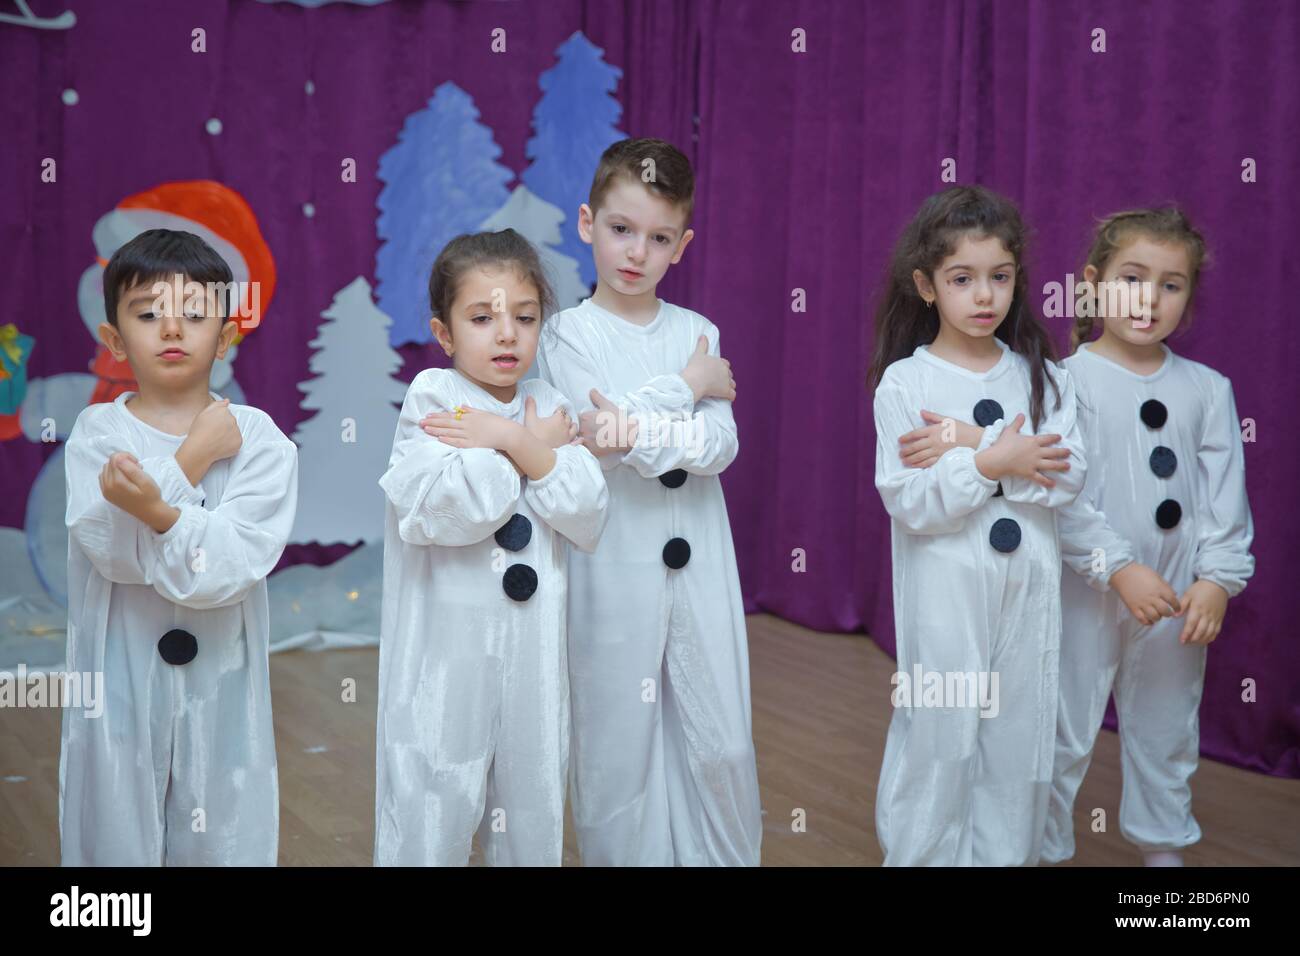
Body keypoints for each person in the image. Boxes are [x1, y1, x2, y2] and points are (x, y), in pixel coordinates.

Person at [538, 137, 762, 866]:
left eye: (659, 237)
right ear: (586, 223)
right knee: (616, 742)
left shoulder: (698, 333)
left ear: (683, 244)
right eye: (621, 229)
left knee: (721, 737)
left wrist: (633, 427)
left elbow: (717, 448)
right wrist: (686, 393)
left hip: (701, 561)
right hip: (613, 562)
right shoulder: (565, 335)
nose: (637, 252)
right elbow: (588, 434)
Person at [61, 228, 298, 865]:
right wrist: (189, 464)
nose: (172, 329)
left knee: (222, 821)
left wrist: (155, 510)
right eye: (147, 314)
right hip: (120, 676)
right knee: (114, 822)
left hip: (222, 675)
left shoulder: (259, 440)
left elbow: (226, 568)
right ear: (114, 339)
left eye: (194, 314)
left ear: (226, 336)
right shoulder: (96, 433)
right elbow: (110, 550)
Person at [374, 229, 608, 866]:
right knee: (435, 796)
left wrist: (510, 438)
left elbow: (587, 512)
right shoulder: (434, 397)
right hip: (446, 660)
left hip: (534, 658)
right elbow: (452, 511)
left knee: (532, 803)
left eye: (525, 318)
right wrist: (529, 449)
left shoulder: (549, 405)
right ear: (445, 334)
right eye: (482, 318)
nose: (507, 334)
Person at [867, 186, 1086, 865]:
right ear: (926, 286)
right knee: (942, 732)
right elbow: (913, 500)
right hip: (946, 591)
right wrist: (998, 460)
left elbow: (1068, 476)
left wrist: (969, 447)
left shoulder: (1044, 378)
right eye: (962, 279)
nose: (983, 295)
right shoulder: (906, 385)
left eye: (999, 277)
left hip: (1030, 591)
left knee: (1018, 734)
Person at [1042, 208, 1255, 867]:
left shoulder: (1207, 389)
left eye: (1172, 284)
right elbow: (1059, 498)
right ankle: (1040, 848)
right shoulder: (1061, 383)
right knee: (1062, 729)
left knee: (1165, 727)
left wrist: (1218, 578)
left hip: (1176, 596)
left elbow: (1225, 502)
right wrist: (1117, 568)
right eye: (1133, 277)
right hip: (1084, 590)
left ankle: (1164, 849)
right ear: (1093, 282)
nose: (1149, 299)